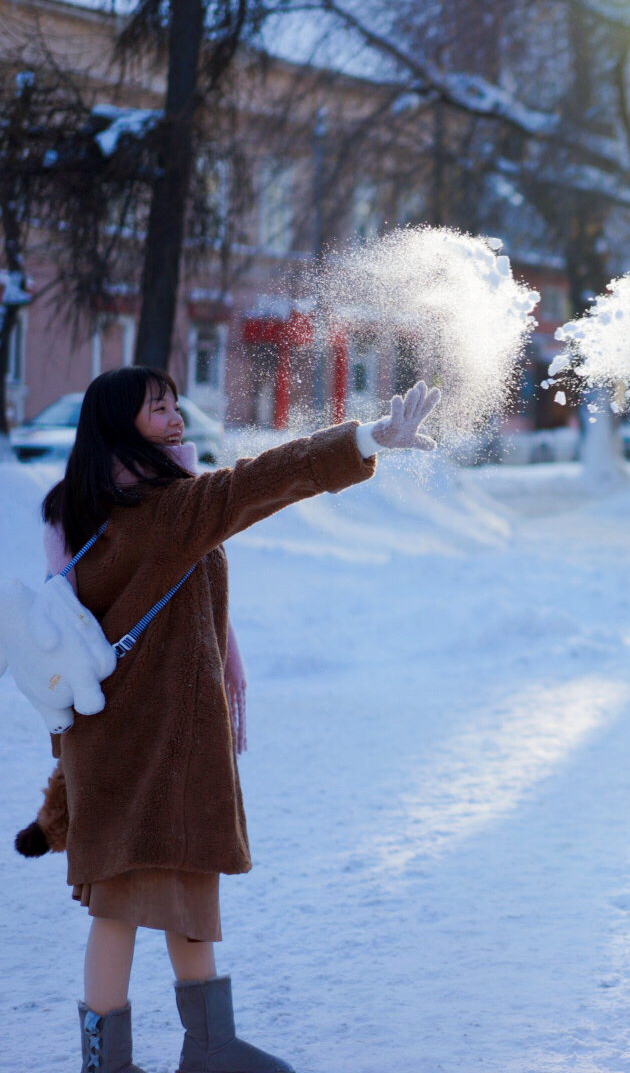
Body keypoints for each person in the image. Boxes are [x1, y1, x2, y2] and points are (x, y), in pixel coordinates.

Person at [21, 366, 440, 1073]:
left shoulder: (89, 509)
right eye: (159, 409)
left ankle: (194, 1048)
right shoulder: (169, 509)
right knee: (128, 901)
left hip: (117, 740)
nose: (176, 418)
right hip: (155, 743)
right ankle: (135, 1059)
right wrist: (367, 437)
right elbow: (260, 482)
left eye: (175, 405)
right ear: (122, 424)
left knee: (164, 889)